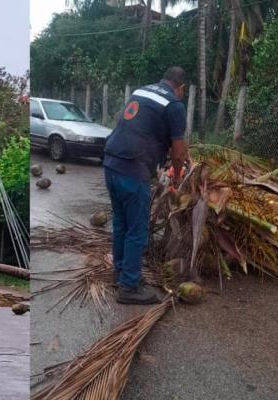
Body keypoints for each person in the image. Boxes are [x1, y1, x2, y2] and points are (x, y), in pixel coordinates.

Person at [102, 67, 189, 305]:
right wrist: (178, 176)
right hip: (133, 168)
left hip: (111, 163)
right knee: (137, 231)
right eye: (183, 91)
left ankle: (121, 274)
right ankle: (129, 287)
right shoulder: (173, 104)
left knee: (121, 224)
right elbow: (179, 150)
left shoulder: (143, 90)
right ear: (181, 87)